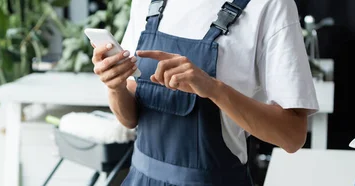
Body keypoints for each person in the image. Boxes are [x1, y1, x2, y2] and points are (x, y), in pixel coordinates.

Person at [91, 0, 319, 185]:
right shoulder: (147, 3)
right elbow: (130, 119)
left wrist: (212, 88)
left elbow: (292, 137)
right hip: (139, 179)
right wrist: (115, 86)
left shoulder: (269, 5)